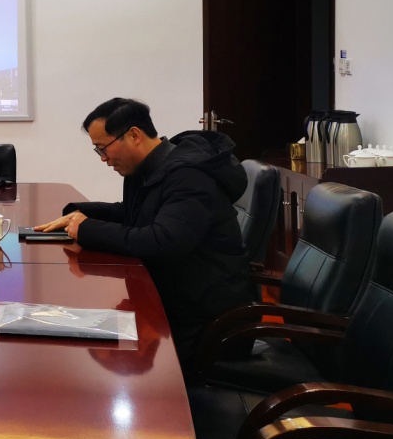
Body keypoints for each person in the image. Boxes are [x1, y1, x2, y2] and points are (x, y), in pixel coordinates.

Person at [34, 97, 254, 370]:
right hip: (176, 303)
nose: (103, 158)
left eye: (103, 148)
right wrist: (80, 213)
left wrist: (88, 228)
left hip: (207, 327)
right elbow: (135, 214)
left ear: (134, 135)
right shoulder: (148, 169)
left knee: (78, 336)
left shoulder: (189, 175)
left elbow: (163, 241)